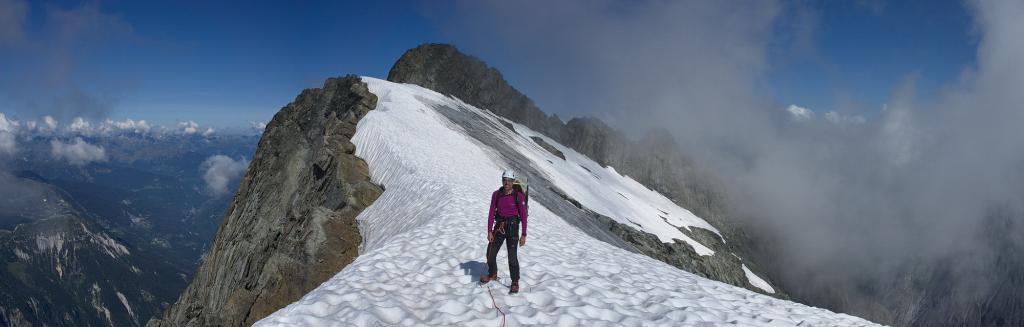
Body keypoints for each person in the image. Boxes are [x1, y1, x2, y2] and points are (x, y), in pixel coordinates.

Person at [480, 169, 528, 294]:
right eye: (504, 180)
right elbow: (491, 212)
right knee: (490, 252)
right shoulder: (496, 194)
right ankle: (493, 273)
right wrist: (489, 231)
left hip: (513, 228)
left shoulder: (518, 196)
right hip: (499, 227)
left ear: (513, 182)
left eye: (509, 181)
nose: (506, 183)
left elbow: (523, 216)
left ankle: (515, 281)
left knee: (512, 257)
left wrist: (523, 234)